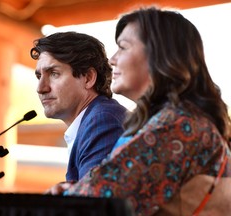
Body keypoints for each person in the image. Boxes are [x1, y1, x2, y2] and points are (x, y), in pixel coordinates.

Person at [46, 7, 231, 216]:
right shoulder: (178, 119)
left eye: (122, 48)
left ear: (159, 55)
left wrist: (73, 194)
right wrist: (75, 190)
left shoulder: (178, 124)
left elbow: (103, 199)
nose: (112, 59)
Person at [30, 32, 127, 182]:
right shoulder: (93, 119)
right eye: (39, 76)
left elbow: (94, 201)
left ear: (88, 78)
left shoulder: (102, 121)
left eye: (54, 74)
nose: (41, 88)